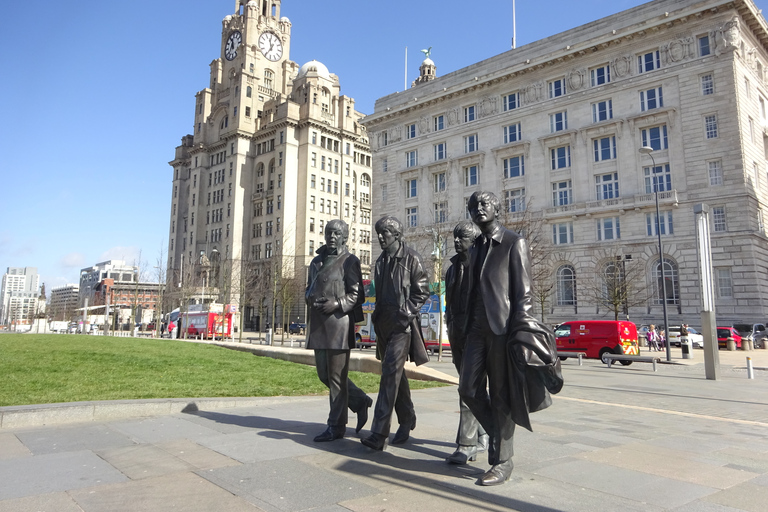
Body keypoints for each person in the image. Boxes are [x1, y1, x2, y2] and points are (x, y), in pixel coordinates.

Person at [459, 191, 562, 486]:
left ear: (497, 209)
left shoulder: (513, 242)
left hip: (502, 328)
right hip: (477, 328)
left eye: (485, 204)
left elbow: (524, 293)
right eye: (474, 206)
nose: (479, 209)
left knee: (502, 393)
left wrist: (520, 329)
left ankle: (503, 460)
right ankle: (499, 438)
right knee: (467, 388)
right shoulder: (476, 245)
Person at [361, 216, 430, 451]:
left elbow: (422, 292)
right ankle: (408, 417)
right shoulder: (380, 262)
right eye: (379, 232)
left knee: (389, 374)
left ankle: (379, 433)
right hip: (384, 325)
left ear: (397, 235)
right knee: (395, 374)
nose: (381, 237)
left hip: (403, 326)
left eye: (385, 233)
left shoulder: (412, 259)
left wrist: (404, 315)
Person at [305, 219, 372, 442]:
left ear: (344, 237)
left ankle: (336, 426)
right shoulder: (316, 262)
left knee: (336, 378)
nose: (332, 237)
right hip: (319, 324)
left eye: (337, 233)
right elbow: (309, 288)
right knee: (324, 375)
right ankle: (360, 400)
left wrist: (336, 304)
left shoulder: (349, 261)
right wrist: (309, 297)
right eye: (329, 233)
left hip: (338, 324)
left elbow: (357, 294)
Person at [444, 221, 489, 465]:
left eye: (462, 238)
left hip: (476, 334)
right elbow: (449, 302)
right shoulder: (452, 269)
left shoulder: (482, 266)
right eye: (456, 237)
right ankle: (488, 431)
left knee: (468, 389)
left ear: (474, 242)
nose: (457, 241)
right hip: (457, 334)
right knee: (472, 388)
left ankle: (467, 444)